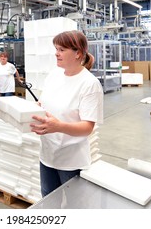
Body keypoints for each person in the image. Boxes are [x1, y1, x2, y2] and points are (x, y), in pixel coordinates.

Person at [30, 30, 104, 197]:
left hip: (71, 161)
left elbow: (87, 127)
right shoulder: (54, 75)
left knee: (75, 207)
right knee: (49, 202)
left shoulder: (89, 84)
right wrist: (35, 108)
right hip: (47, 155)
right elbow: (46, 103)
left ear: (78, 53)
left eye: (62, 50)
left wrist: (59, 126)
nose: (56, 53)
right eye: (56, 49)